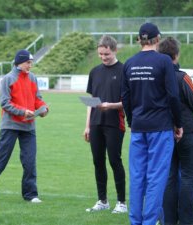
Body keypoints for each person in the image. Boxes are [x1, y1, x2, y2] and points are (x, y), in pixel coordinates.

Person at [121, 23, 183, 225]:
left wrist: (132, 121)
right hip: (160, 127)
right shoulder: (164, 61)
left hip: (138, 127)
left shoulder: (129, 63)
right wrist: (178, 123)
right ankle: (148, 222)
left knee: (137, 178)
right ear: (158, 39)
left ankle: (135, 222)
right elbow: (173, 96)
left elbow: (126, 97)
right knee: (156, 179)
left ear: (140, 40)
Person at [0, 49, 49, 203]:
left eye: (31, 62)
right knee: (1, 159)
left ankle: (31, 195)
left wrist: (44, 108)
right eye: (28, 62)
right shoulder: (7, 79)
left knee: (30, 161)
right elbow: (4, 103)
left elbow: (37, 99)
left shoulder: (33, 78)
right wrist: (22, 112)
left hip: (29, 127)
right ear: (19, 62)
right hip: (10, 126)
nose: (30, 65)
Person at [158, 37, 193, 225]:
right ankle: (188, 220)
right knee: (188, 177)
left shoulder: (156, 78)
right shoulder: (182, 76)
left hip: (163, 131)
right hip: (187, 131)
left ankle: (169, 220)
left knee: (169, 178)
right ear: (176, 54)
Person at [83, 35, 127, 214]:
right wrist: (87, 125)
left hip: (114, 123)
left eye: (106, 54)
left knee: (115, 161)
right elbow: (91, 102)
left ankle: (122, 203)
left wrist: (111, 105)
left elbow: (128, 101)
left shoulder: (125, 70)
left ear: (114, 50)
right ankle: (102, 200)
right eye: (100, 54)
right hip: (95, 124)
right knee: (97, 161)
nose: (103, 57)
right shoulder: (94, 72)